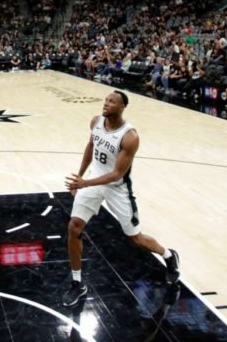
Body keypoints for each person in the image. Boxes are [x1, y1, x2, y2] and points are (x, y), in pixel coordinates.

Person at [63, 90, 180, 307]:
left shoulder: (130, 136)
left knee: (135, 238)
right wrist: (81, 175)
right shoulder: (96, 122)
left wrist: (84, 183)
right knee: (74, 228)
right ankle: (77, 283)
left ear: (122, 107)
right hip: (92, 182)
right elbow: (91, 147)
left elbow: (117, 174)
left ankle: (169, 255)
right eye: (106, 99)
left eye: (112, 102)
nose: (106, 103)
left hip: (117, 188)